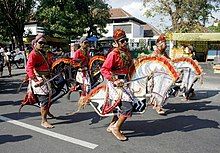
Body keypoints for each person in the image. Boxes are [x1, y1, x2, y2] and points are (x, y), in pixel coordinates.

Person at [101, 29, 134, 141]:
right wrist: (114, 80)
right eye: (122, 41)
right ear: (116, 43)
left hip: (125, 82)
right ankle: (116, 128)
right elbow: (104, 69)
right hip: (115, 83)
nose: (125, 43)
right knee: (128, 106)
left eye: (126, 40)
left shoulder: (128, 53)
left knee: (120, 106)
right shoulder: (113, 54)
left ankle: (112, 125)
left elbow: (131, 67)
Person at [26, 33, 55, 128]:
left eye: (44, 43)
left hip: (46, 79)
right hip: (39, 79)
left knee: (50, 97)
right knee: (45, 100)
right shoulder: (33, 54)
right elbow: (29, 68)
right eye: (40, 42)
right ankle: (44, 121)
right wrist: (35, 79)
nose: (42, 44)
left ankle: (46, 112)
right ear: (35, 43)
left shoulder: (42, 53)